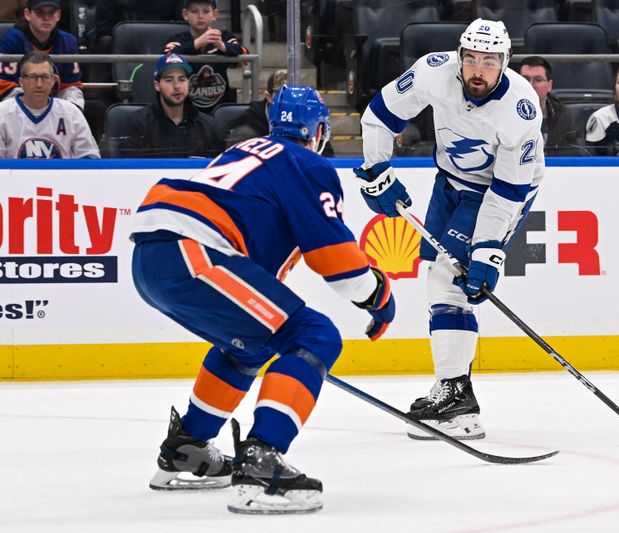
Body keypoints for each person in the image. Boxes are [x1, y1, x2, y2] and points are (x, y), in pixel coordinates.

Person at [131, 85, 395, 514]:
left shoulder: (246, 151)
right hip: (193, 250)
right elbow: (340, 267)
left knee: (251, 343)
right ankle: (261, 459)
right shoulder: (307, 163)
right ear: (320, 130)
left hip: (152, 256)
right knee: (315, 334)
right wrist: (379, 296)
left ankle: (187, 450)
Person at [355, 19, 544, 440]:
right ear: (460, 56)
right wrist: (376, 168)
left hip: (498, 192)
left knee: (450, 282)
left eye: (489, 61)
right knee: (438, 283)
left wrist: (488, 249)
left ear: (505, 63)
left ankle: (456, 399)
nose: (478, 69)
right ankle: (456, 394)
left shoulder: (520, 110)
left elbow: (507, 192)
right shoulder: (432, 72)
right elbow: (378, 116)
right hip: (448, 182)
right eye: (471, 58)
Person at [118, 52, 222, 158]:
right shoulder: (137, 123)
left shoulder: (208, 125)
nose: (176, 86)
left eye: (182, 79)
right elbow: (131, 169)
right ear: (157, 85)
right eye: (169, 80)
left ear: (188, 83)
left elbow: (217, 167)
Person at [0, 50, 99, 158]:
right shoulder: (3, 113)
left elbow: (90, 158)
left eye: (45, 77)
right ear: (22, 82)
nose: (39, 84)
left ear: (52, 81)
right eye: (33, 77)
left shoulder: (71, 113)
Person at [163, 0, 247, 113]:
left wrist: (223, 47)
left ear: (215, 14)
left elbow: (245, 55)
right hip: (186, 109)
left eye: (206, 11)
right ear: (185, 14)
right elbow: (167, 57)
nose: (200, 16)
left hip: (219, 108)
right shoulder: (177, 39)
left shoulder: (224, 37)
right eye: (194, 11)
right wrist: (198, 43)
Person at [0, 0, 84, 110]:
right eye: (40, 13)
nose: (46, 18)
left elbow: (72, 84)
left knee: (94, 108)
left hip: (56, 107)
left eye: (51, 13)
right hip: (18, 106)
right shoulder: (12, 40)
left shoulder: (68, 41)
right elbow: (3, 84)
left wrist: (72, 109)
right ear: (27, 14)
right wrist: (34, 106)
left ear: (58, 15)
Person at [518, 55, 580, 156]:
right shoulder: (505, 112)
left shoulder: (563, 114)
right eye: (525, 79)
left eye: (538, 80)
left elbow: (573, 153)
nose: (530, 85)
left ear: (549, 85)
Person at [224, 68, 287, 146]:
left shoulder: (302, 119)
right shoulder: (247, 122)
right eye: (281, 94)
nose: (288, 99)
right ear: (269, 96)